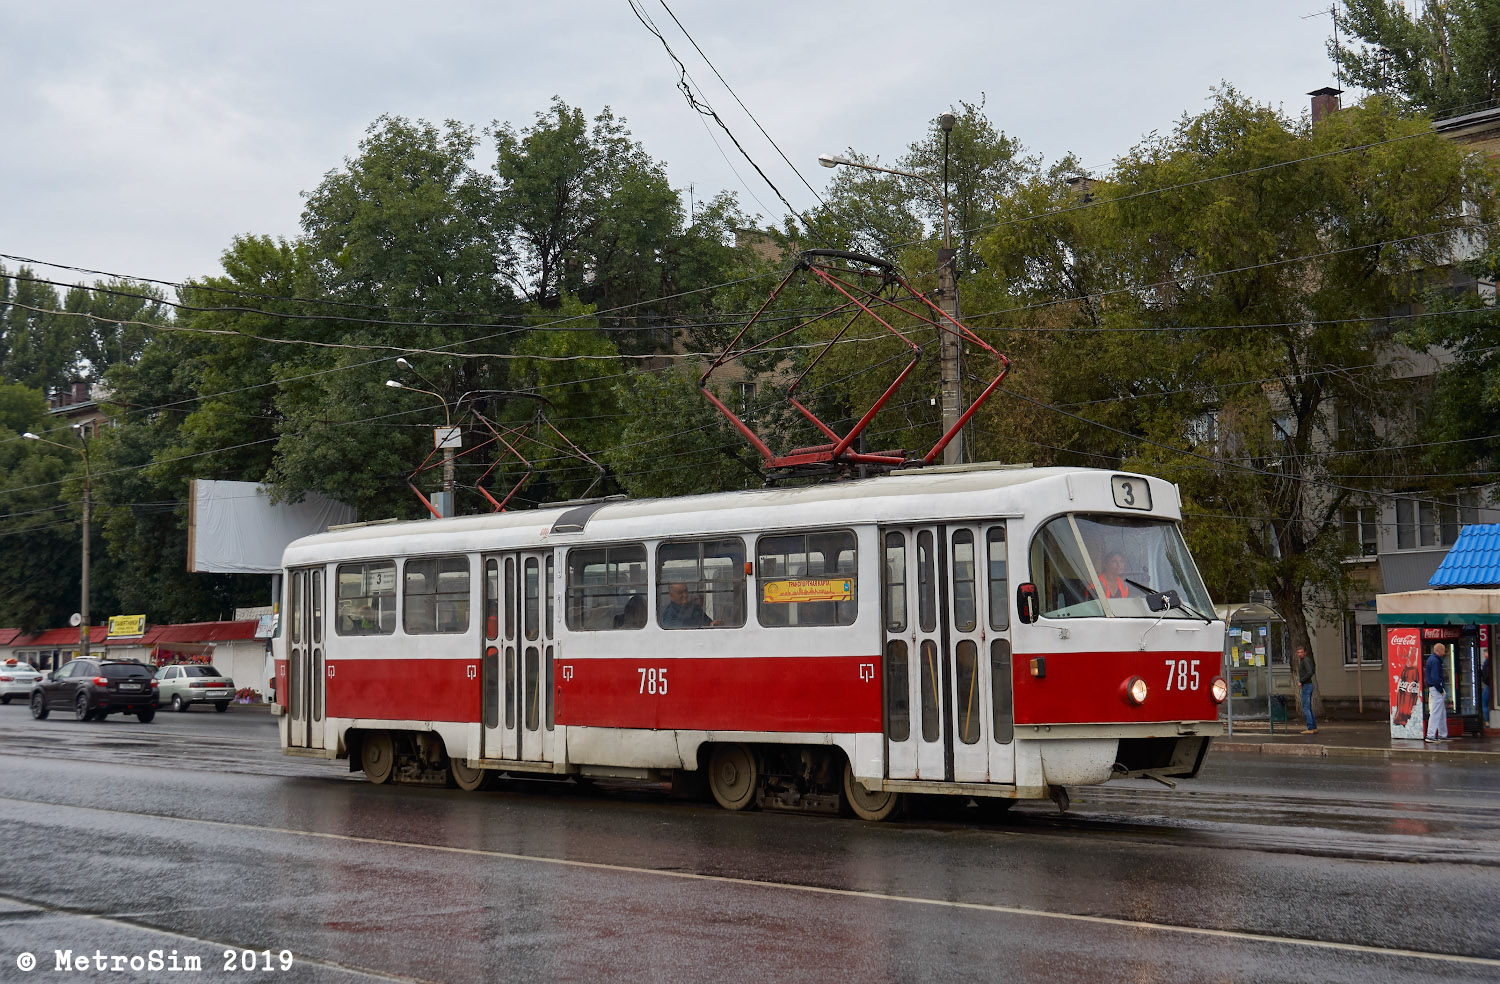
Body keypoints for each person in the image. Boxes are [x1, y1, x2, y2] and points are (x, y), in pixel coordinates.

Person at [1425, 643, 1449, 743]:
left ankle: (1442, 734)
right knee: (1436, 712)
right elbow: (1435, 677)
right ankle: (1430, 735)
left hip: (1434, 688)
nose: (1444, 652)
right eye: (1443, 650)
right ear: (1438, 650)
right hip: (1436, 689)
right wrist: (1440, 689)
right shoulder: (1435, 661)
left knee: (1441, 712)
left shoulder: (1431, 659)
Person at [1296, 646, 1317, 734]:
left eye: (1301, 652)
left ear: (1305, 652)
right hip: (1308, 685)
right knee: (1308, 707)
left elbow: (1310, 672)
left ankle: (1310, 727)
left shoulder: (1305, 661)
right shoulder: (1305, 660)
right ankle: (1313, 727)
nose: (1300, 654)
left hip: (1307, 685)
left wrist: (1301, 681)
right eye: (1298, 652)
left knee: (1306, 708)